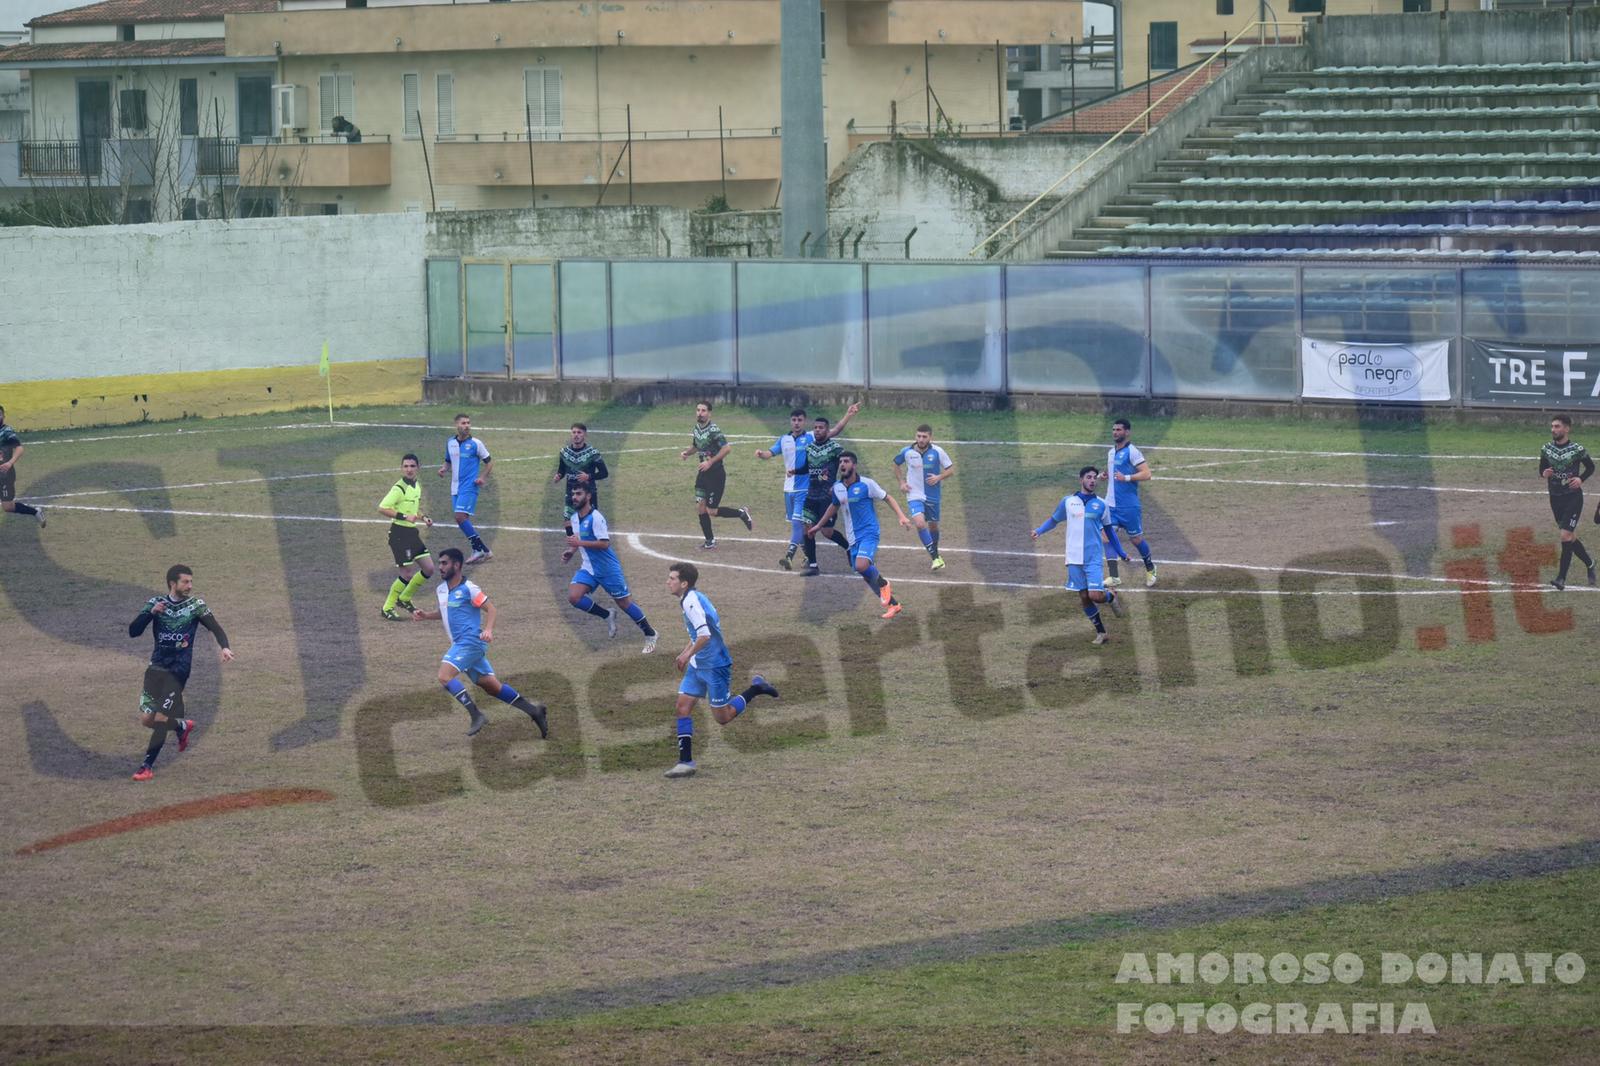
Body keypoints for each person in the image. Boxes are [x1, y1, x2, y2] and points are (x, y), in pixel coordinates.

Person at [410, 548, 547, 738]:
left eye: (444, 563)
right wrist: (426, 615)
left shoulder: (469, 588)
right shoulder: (441, 589)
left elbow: (491, 609)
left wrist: (488, 629)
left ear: (456, 565)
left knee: (444, 676)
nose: (440, 567)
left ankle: (476, 715)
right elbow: (445, 612)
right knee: (492, 687)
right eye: (439, 563)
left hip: (471, 643)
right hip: (461, 644)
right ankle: (534, 711)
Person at [664, 561, 779, 779]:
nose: (667, 582)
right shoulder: (693, 597)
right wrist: (686, 651)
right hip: (700, 664)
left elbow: (705, 634)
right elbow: (698, 633)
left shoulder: (690, 603)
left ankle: (756, 688)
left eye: (672, 578)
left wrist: (688, 655)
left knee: (723, 717)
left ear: (684, 583)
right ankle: (685, 762)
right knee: (682, 707)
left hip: (715, 666)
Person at [128, 564, 233, 780]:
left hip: (179, 670)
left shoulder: (195, 605)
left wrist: (225, 646)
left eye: (191, 582)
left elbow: (215, 627)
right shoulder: (155, 603)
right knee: (146, 719)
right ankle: (182, 725)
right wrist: (150, 614)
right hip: (156, 668)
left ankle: (146, 766)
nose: (190, 586)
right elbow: (133, 632)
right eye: (185, 582)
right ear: (172, 584)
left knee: (159, 718)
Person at [808, 451, 910, 620]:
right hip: (853, 537)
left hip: (869, 532)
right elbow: (833, 507)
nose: (842, 464)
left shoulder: (867, 484)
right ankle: (894, 605)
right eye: (841, 461)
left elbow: (887, 497)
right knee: (864, 572)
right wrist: (818, 526)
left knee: (862, 565)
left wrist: (901, 516)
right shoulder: (838, 488)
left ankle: (884, 585)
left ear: (854, 465)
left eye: (846, 461)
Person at [1033, 466, 1124, 646]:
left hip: (1093, 557)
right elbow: (1054, 520)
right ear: (1081, 480)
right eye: (1089, 477)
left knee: (1095, 596)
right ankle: (1102, 632)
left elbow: (1109, 531)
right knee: (1084, 597)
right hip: (1073, 557)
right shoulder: (1068, 502)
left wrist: (1121, 552)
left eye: (1094, 478)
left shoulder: (1101, 504)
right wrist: (1039, 531)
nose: (1092, 480)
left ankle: (1110, 596)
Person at [563, 483, 658, 653]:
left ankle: (650, 633)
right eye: (573, 494)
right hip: (589, 567)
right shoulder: (575, 518)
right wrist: (571, 551)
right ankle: (607, 615)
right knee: (574, 597)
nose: (574, 497)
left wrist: (579, 543)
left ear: (588, 496)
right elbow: (577, 538)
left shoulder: (596, 517)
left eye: (578, 494)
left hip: (607, 569)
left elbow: (604, 544)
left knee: (624, 603)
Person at [797, 403, 862, 575]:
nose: (817, 430)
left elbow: (845, 466)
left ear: (827, 430)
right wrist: (794, 471)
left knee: (827, 532)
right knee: (807, 529)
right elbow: (806, 467)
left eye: (821, 428)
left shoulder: (835, 449)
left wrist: (839, 484)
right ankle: (813, 566)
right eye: (815, 428)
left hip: (827, 497)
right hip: (811, 495)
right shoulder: (809, 447)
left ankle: (848, 547)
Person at [680, 400, 752, 549]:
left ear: (709, 413)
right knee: (700, 507)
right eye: (698, 410)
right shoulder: (696, 428)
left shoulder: (714, 430)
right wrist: (687, 453)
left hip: (716, 474)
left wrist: (710, 462)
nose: (700, 413)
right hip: (702, 474)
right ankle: (710, 541)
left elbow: (726, 449)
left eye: (703, 410)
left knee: (711, 511)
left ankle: (741, 513)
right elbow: (696, 445)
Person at [1540, 414, 1597, 590]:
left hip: (1573, 497)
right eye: (1552, 426)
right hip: (1555, 498)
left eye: (1557, 426)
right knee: (1570, 537)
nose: (1553, 430)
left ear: (1566, 428)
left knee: (1565, 535)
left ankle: (1561, 579)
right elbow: (1542, 469)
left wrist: (1580, 479)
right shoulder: (1546, 449)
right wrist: (1544, 473)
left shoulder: (1577, 449)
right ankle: (1590, 563)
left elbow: (1591, 467)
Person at [378, 453, 435, 620]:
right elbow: (382, 508)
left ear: (418, 468)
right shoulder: (399, 488)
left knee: (429, 568)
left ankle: (404, 598)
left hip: (412, 533)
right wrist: (403, 516)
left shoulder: (416, 485)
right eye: (406, 466)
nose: (409, 469)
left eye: (412, 466)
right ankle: (387, 607)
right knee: (406, 574)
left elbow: (413, 508)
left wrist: (423, 517)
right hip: (399, 534)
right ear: (401, 468)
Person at [755, 408, 813, 570]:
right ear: (790, 421)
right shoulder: (784, 439)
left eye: (800, 420)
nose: (796, 423)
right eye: (794, 420)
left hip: (804, 489)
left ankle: (789, 556)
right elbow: (770, 453)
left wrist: (848, 416)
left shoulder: (811, 437)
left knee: (797, 522)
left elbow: (833, 432)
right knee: (797, 526)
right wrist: (761, 454)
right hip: (788, 489)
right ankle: (809, 556)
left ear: (805, 421)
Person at [1104, 418, 1157, 587]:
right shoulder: (1111, 452)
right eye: (1114, 429)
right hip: (1110, 506)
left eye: (1119, 430)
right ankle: (1114, 576)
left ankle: (1150, 568)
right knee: (1106, 538)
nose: (1115, 432)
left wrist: (1126, 477)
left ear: (1127, 432)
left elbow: (1147, 474)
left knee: (1136, 540)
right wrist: (1103, 475)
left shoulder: (1133, 451)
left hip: (1128, 506)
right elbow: (1114, 474)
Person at [894, 424, 955, 571]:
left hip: (932, 495)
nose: (921, 439)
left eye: (924, 437)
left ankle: (936, 554)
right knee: (920, 524)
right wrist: (902, 482)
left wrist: (939, 477)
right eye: (918, 436)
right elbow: (896, 464)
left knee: (932, 525)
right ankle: (935, 557)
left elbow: (951, 469)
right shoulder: (907, 451)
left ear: (930, 437)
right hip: (914, 494)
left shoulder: (938, 451)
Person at [438, 412, 493, 564]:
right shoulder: (450, 442)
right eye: (463, 423)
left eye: (468, 423)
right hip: (454, 486)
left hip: (469, 486)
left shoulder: (476, 443)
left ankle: (478, 550)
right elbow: (448, 461)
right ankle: (485, 550)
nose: (467, 426)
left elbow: (489, 462)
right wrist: (444, 469)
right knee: (462, 519)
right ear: (456, 425)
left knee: (459, 516)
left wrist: (482, 477)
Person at [553, 422, 609, 536]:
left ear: (585, 435)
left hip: (589, 494)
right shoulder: (564, 453)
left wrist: (588, 476)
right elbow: (562, 470)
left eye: (579, 432)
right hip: (570, 493)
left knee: (590, 522)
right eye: (574, 432)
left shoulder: (593, 453)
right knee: (567, 519)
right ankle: (573, 545)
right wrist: (559, 475)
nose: (576, 435)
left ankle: (591, 545)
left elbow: (604, 473)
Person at [0, 405, 45, 526]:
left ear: (3, 416)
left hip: (4, 475)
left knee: (8, 507)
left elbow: (19, 448)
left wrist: (10, 463)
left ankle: (35, 512)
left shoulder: (6, 432)